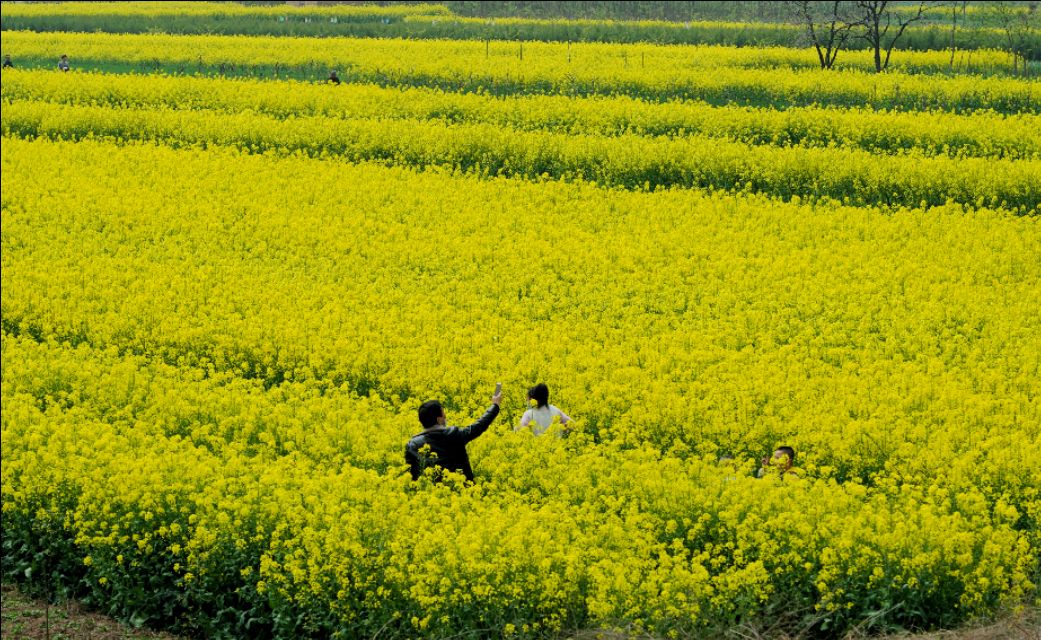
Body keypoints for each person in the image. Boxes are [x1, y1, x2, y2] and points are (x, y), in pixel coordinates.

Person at [405, 385, 502, 482]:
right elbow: (478, 426)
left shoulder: (412, 445)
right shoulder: (453, 435)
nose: (445, 416)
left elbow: (411, 476)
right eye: (443, 414)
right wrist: (495, 405)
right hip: (463, 490)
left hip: (431, 494)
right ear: (438, 419)